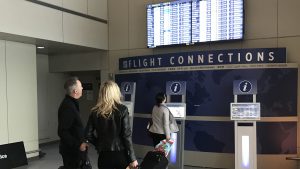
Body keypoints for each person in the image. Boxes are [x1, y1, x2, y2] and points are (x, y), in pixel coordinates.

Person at [85, 81, 138, 169]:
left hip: (103, 156)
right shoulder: (122, 109)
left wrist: (99, 144)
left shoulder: (95, 111)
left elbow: (87, 134)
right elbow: (126, 136)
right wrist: (133, 159)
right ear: (116, 92)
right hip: (120, 155)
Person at [58, 76, 88, 169]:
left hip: (75, 150)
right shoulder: (68, 107)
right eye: (81, 86)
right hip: (72, 152)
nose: (82, 88)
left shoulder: (72, 104)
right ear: (75, 91)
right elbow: (62, 131)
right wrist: (78, 144)